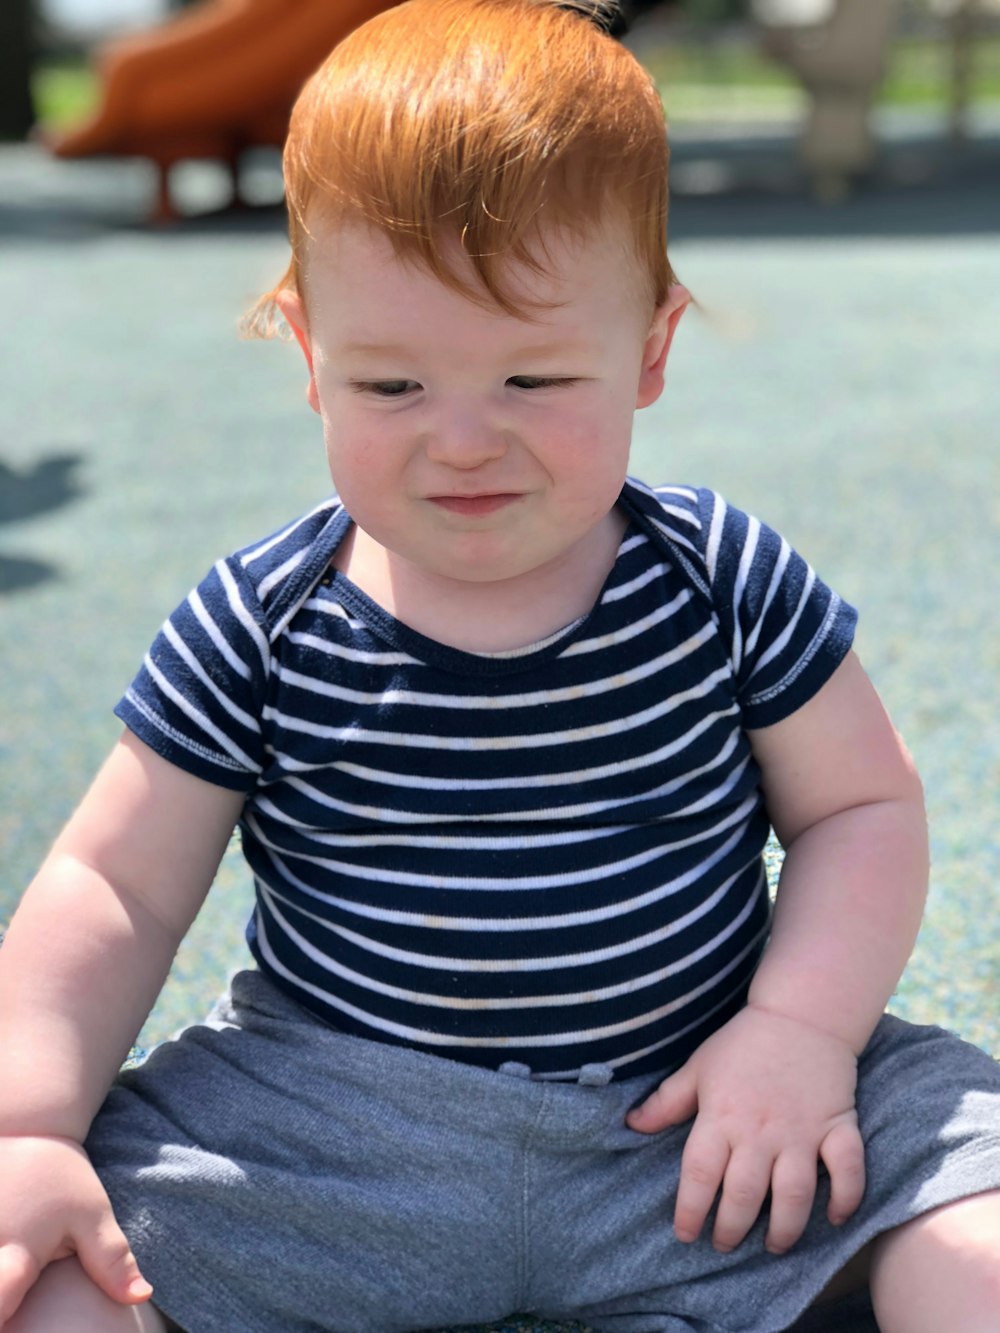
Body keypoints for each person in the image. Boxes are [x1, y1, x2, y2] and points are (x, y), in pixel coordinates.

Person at [1, 1, 998, 1329]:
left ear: (649, 347)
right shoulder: (258, 618)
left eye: (532, 380)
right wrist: (26, 1126)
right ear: (309, 355)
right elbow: (114, 883)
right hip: (334, 1144)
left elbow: (858, 808)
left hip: (699, 1116)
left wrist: (799, 1032)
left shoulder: (720, 575)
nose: (463, 442)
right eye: (392, 389)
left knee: (970, 1196)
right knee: (51, 1267)